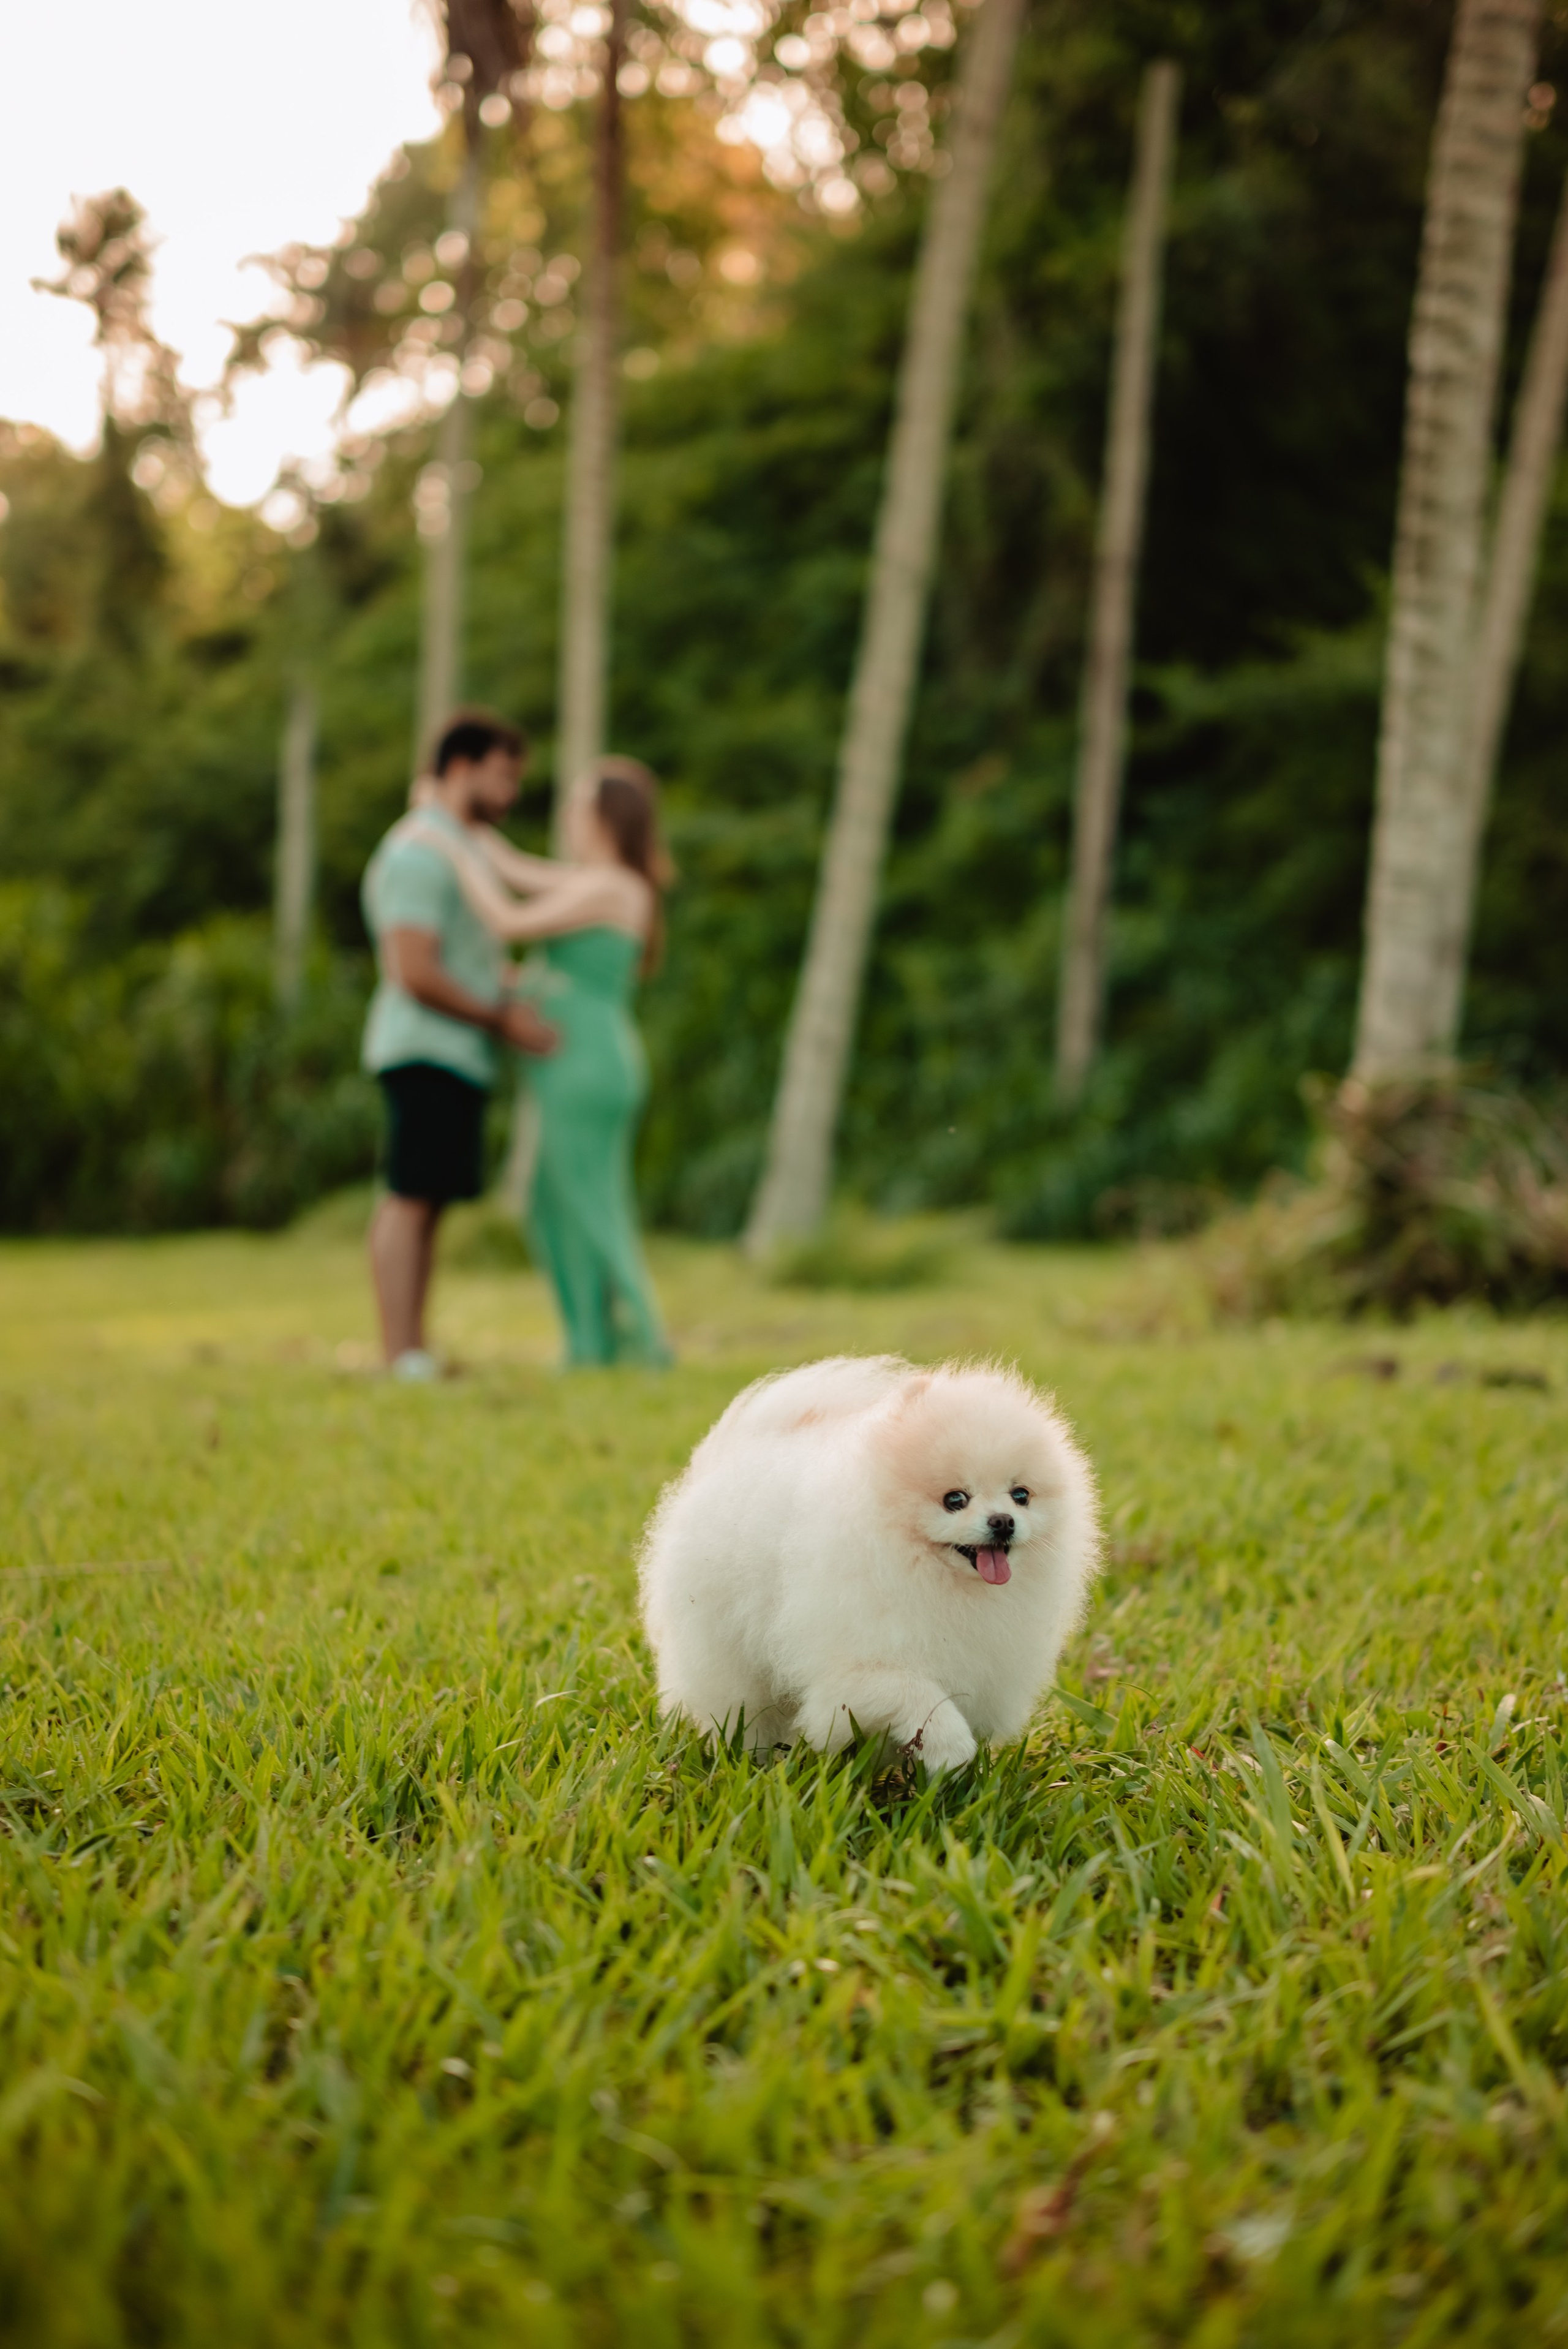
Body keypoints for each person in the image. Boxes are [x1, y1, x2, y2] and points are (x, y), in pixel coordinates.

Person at [405, 756, 672, 1367]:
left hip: (589, 1066)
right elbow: (515, 868)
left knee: (589, 1204)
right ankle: (590, 1341)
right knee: (552, 1205)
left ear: (607, 816)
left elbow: (506, 914)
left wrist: (445, 847)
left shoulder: (613, 884)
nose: (567, 817)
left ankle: (635, 1341)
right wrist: (451, 817)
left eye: (576, 806)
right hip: (572, 1065)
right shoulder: (594, 880)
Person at [361, 710, 556, 1379]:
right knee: (408, 1195)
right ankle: (399, 1353)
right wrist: (498, 1018)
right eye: (503, 776)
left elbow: (465, 958)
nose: (511, 793)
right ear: (461, 766)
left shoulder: (463, 846)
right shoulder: (421, 851)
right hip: (424, 1047)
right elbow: (413, 968)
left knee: (430, 1199)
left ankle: (415, 1347)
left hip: (456, 1049)